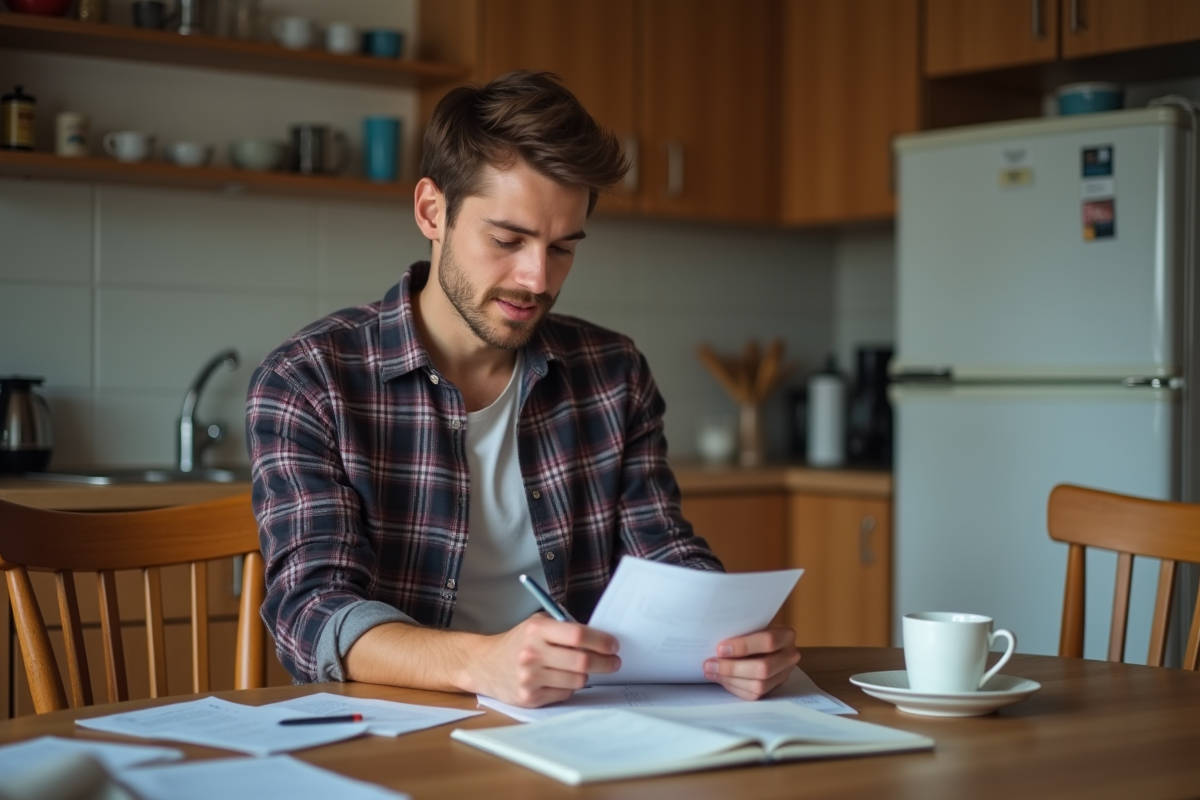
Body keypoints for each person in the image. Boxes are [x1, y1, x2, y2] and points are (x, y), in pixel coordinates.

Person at [246, 70, 799, 708]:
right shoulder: (310, 379)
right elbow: (312, 613)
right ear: (433, 211)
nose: (537, 279)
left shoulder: (613, 373)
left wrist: (730, 638)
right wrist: (484, 661)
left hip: (579, 721)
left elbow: (662, 550)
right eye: (508, 240)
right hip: (395, 724)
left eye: (563, 248)